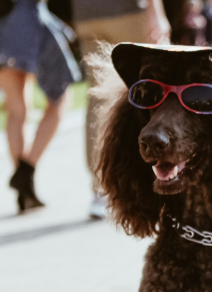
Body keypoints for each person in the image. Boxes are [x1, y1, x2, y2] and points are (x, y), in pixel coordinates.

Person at [0, 0, 82, 214]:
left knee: (17, 110)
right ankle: (26, 171)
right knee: (60, 101)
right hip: (27, 24)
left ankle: (24, 188)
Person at [71, 0, 171, 219]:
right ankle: (162, 182)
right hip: (130, 12)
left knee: (99, 98)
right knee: (154, 88)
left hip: (87, 15)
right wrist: (157, 13)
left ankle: (100, 190)